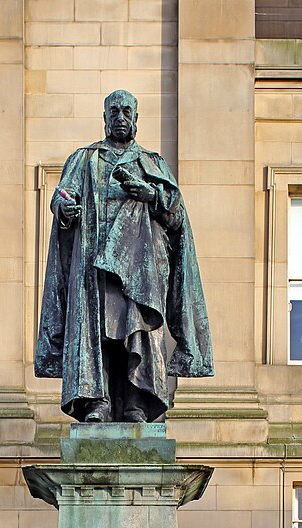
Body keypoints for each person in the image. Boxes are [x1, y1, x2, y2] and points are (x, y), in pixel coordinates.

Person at [35, 89, 213, 423]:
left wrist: (152, 195)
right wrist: (65, 208)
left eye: (127, 112)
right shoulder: (84, 160)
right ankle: (97, 401)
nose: (121, 118)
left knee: (136, 331)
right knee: (96, 333)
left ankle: (136, 401)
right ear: (104, 118)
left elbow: (176, 218)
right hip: (94, 267)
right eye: (114, 112)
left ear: (136, 119)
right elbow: (61, 198)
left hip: (139, 272)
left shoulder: (151, 163)